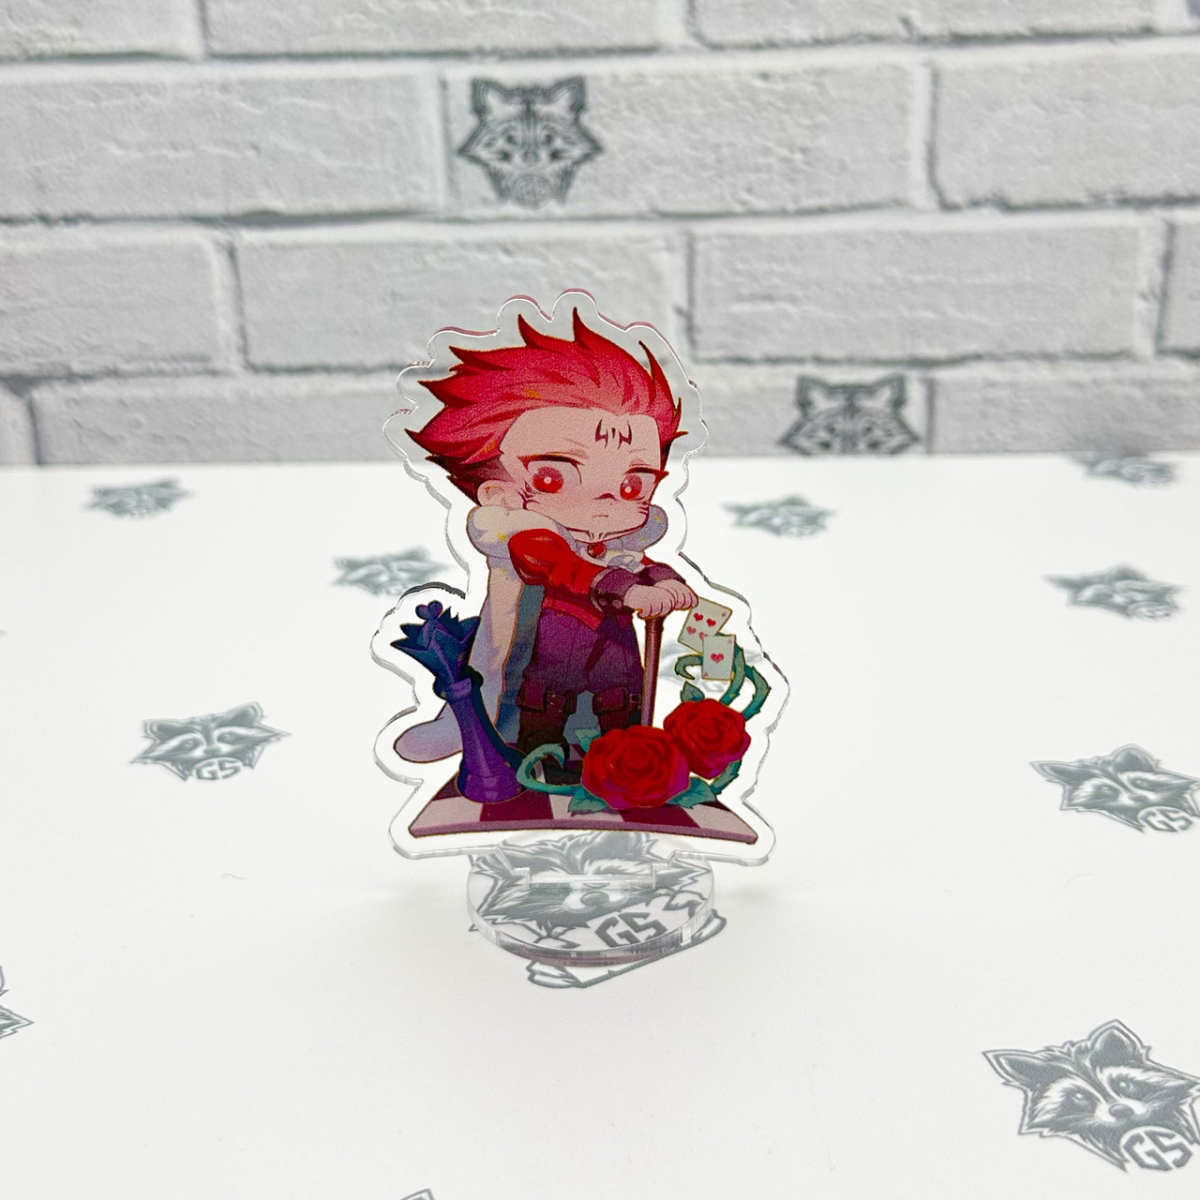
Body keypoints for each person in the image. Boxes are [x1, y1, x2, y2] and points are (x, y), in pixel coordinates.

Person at [395, 309, 697, 767]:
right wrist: (627, 589)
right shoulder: (523, 535)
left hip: (611, 665)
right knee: (534, 713)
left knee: (614, 712)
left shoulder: (620, 541)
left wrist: (664, 579)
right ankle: (470, 722)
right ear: (498, 491)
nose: (604, 500)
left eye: (632, 484)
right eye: (554, 477)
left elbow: (634, 562)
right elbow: (563, 568)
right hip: (532, 663)